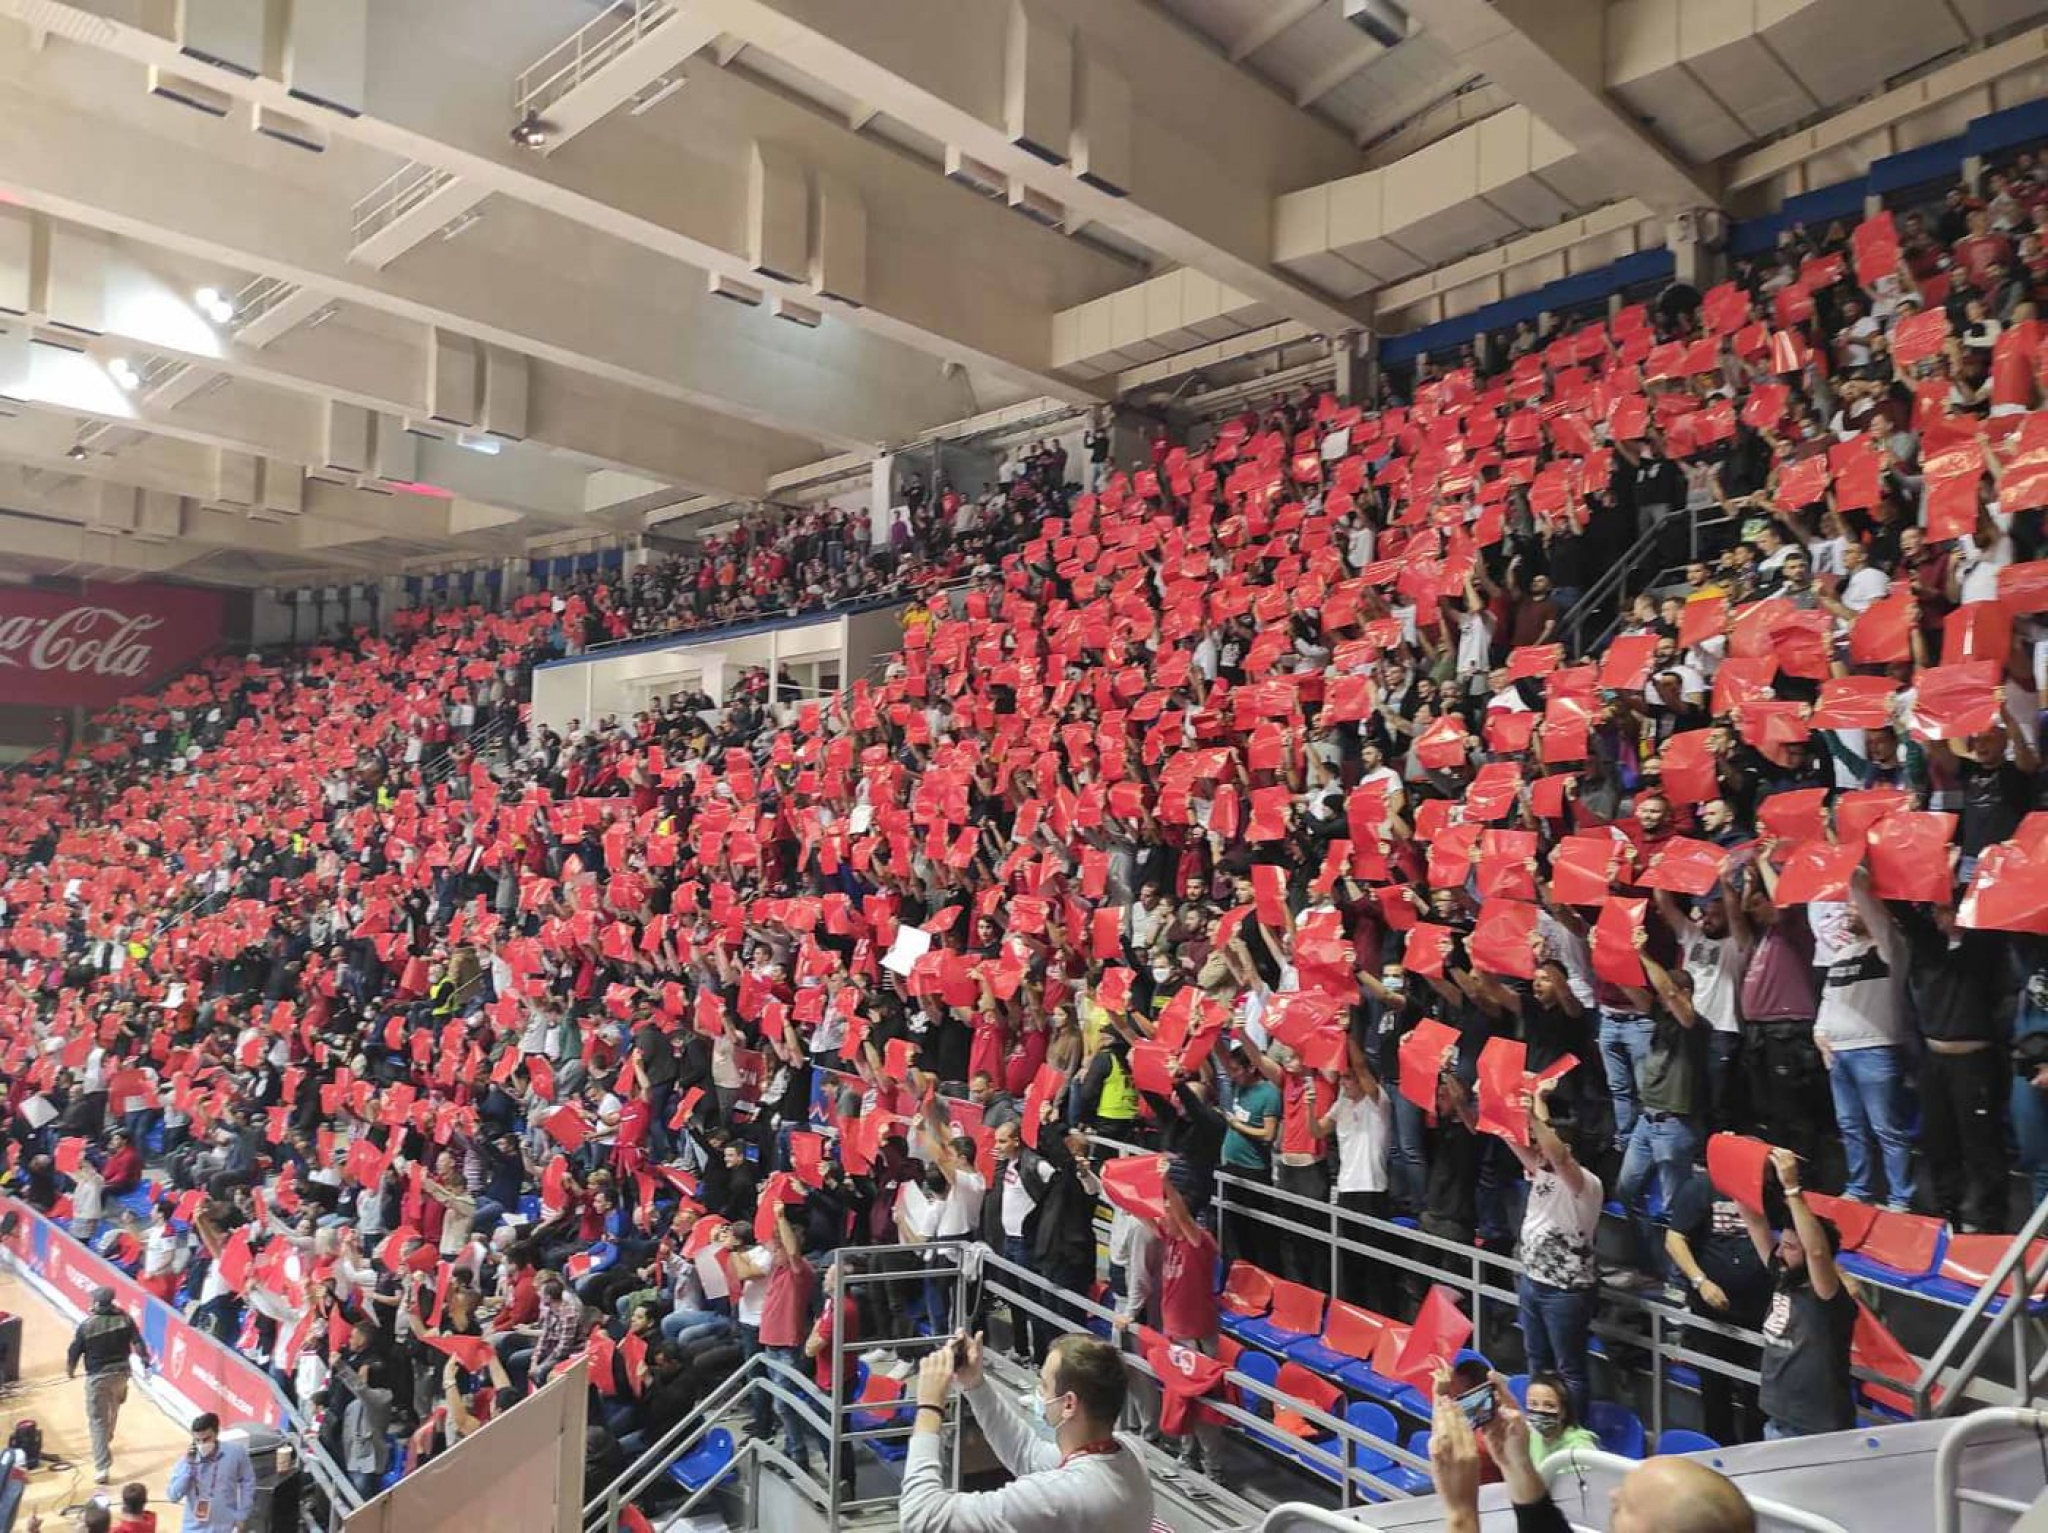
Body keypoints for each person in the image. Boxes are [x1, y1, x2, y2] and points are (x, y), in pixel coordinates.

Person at [901, 1331, 1154, 1533]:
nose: (1039, 1393)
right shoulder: (1126, 1451)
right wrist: (975, 1385)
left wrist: (930, 1407)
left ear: (1068, 1404)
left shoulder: (1064, 1495)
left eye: (1044, 1385)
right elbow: (1027, 1454)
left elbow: (921, 1517)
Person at [1502, 1080, 1602, 1418]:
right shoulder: (1541, 1173)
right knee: (1537, 1360)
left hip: (1565, 1291)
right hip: (1532, 1281)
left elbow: (1558, 1156)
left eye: (1543, 1145)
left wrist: (1532, 1115)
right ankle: (1540, 1422)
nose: (1538, 1150)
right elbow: (1510, 1137)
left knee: (1568, 1368)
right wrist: (1499, 1104)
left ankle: (1573, 1430)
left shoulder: (1585, 1183)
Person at [1742, 1147, 1857, 1439]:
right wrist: (1739, 1161)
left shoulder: (1828, 1296)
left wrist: (1792, 1189)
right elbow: (1754, 1222)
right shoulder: (1785, 1275)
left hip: (1815, 1429)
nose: (1780, 1252)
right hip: (1777, 1419)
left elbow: (1817, 1252)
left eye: (1791, 1247)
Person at [66, 1285, 150, 1484]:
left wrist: (70, 1371)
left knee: (97, 1420)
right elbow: (138, 1343)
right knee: (113, 1408)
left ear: (96, 1303)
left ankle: (102, 1468)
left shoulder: (87, 1325)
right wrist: (145, 1362)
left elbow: (74, 1351)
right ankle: (106, 1439)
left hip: (98, 1378)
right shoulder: (125, 1319)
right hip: (122, 1375)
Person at [166, 1413, 257, 1533]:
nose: (202, 1444)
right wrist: (189, 1467)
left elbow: (248, 1482)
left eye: (206, 1439)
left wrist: (242, 1515)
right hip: (194, 1529)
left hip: (225, 1527)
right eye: (197, 1440)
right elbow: (173, 1496)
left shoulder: (236, 1453)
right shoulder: (186, 1462)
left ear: (216, 1433)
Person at [1522, 1372, 1598, 1467]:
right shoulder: (1533, 1436)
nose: (1539, 1410)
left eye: (1549, 1405)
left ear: (1564, 1411)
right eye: (1533, 1404)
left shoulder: (1580, 1447)